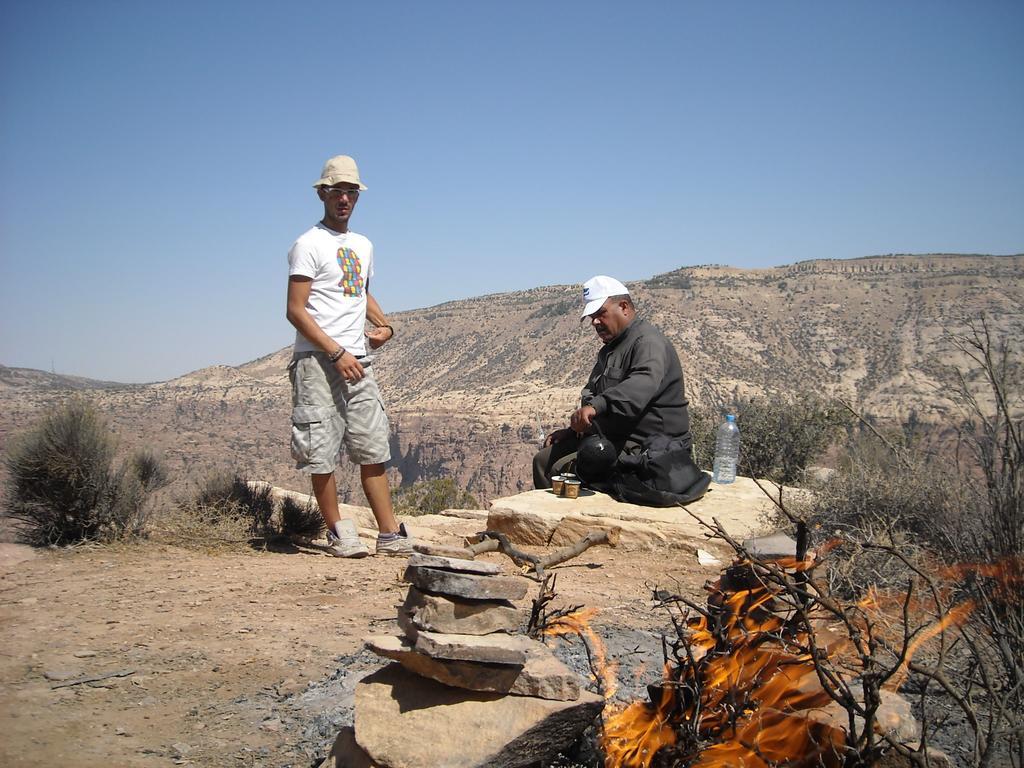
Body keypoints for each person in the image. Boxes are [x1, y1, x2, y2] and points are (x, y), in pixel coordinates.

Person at [285, 155, 413, 557]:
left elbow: (358, 292)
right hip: (319, 360)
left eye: (351, 192)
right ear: (322, 193)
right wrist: (335, 351)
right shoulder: (308, 244)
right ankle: (340, 530)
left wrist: (386, 325)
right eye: (337, 191)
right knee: (320, 447)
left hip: (358, 359)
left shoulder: (363, 245)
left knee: (373, 444)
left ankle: (390, 533)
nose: (344, 198)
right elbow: (295, 309)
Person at [532, 275, 693, 489]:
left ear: (624, 307)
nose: (595, 322)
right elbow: (593, 391)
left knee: (562, 470)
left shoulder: (647, 342)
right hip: (614, 438)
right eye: (592, 317)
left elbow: (640, 385)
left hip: (649, 445)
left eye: (600, 314)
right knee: (542, 460)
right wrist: (573, 431)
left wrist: (596, 407)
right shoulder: (611, 350)